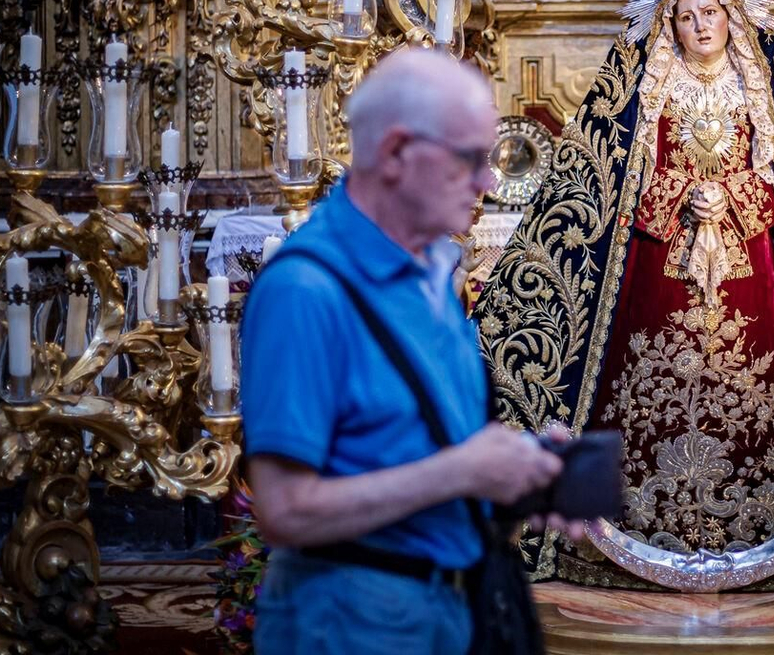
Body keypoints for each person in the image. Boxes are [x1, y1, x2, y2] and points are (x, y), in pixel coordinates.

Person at [473, 0, 774, 587]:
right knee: (643, 379)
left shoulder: (762, 87)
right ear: (667, 24)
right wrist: (681, 198)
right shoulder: (648, 90)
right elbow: (616, 185)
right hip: (659, 267)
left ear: (734, 15)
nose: (701, 25)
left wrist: (734, 197)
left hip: (750, 268)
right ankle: (639, 521)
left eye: (711, 11)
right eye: (686, 15)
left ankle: (767, 519)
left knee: (764, 378)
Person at [240, 47, 574, 655]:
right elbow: (285, 511)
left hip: (451, 603)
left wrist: (526, 474)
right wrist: (466, 470)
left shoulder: (431, 273)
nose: (488, 181)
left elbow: (422, 447)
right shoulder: (306, 289)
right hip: (353, 616)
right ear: (395, 153)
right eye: (471, 158)